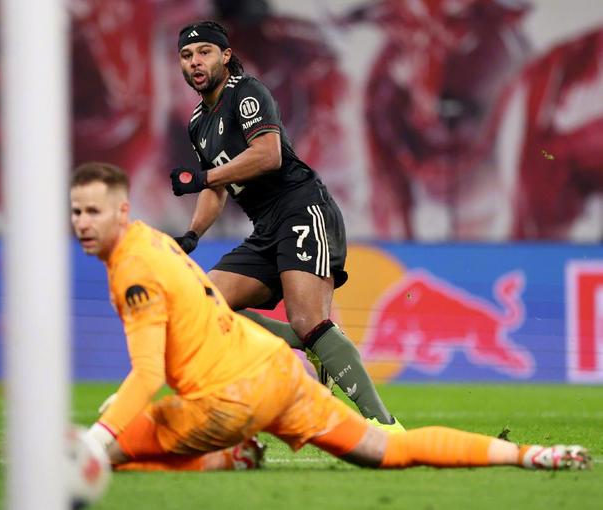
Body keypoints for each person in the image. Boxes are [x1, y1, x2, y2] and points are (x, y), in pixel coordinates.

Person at [71, 161, 591, 473]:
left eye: (93, 212)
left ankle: (223, 454)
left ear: (122, 212)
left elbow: (149, 374)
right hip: (277, 375)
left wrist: (100, 435)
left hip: (230, 398)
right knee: (387, 452)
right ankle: (531, 456)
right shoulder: (154, 242)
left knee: (105, 454)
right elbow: (198, 313)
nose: (82, 223)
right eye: (75, 211)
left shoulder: (134, 271)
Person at [169, 20, 401, 431]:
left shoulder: (246, 92)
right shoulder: (197, 123)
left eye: (204, 52)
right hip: (265, 228)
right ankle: (315, 344)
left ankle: (385, 427)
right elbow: (216, 188)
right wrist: (191, 235)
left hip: (302, 208)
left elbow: (268, 155)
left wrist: (202, 177)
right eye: (187, 56)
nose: (195, 62)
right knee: (205, 304)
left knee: (307, 319)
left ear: (225, 56)